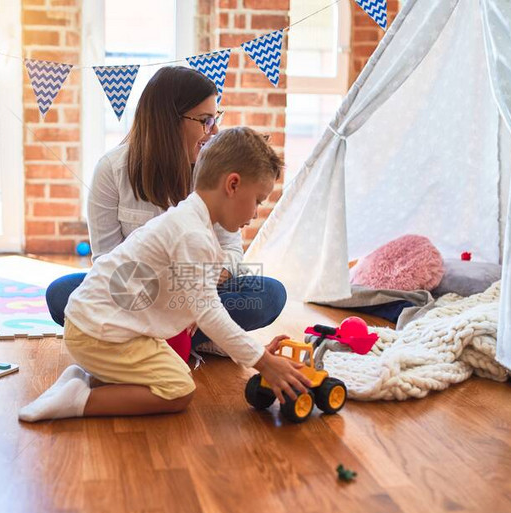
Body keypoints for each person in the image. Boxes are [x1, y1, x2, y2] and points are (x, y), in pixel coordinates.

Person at [20, 127, 309, 421]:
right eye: (258, 200)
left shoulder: (190, 220)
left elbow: (200, 306)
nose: (256, 212)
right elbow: (209, 313)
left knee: (176, 371)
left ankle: (83, 378)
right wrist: (263, 363)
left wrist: (255, 352)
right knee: (178, 389)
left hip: (106, 325)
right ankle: (80, 399)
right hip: (98, 332)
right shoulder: (193, 235)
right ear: (232, 185)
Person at [45, 66, 286, 354]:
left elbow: (231, 252)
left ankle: (153, 340)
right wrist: (176, 299)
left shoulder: (212, 172)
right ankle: (190, 337)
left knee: (269, 294)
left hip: (201, 289)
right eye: (206, 120)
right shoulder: (112, 169)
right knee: (62, 294)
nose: (215, 131)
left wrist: (198, 294)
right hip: (140, 294)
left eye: (216, 119)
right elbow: (108, 262)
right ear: (168, 120)